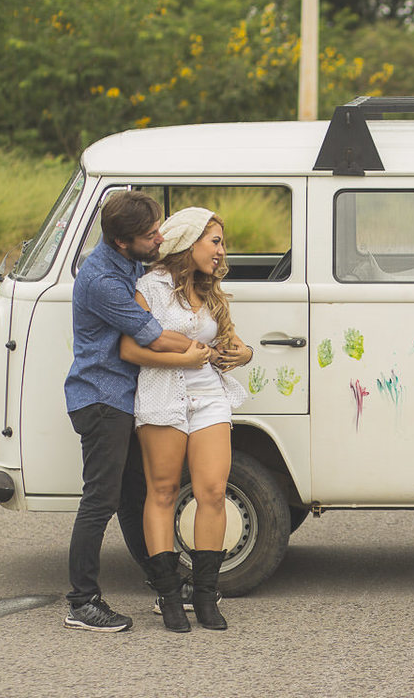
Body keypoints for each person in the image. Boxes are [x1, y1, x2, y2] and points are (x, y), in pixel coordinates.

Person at [63, 191, 205, 633]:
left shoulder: (127, 259)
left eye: (158, 229)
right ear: (123, 241)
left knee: (133, 497)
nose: (159, 238)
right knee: (100, 500)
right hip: (101, 398)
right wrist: (203, 349)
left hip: (120, 397)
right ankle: (82, 602)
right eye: (150, 235)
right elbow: (153, 336)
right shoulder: (103, 280)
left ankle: (165, 583)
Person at [119, 207, 252, 632]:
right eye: (215, 242)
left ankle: (206, 595)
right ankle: (169, 595)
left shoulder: (209, 288)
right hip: (162, 396)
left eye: (221, 243)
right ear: (189, 242)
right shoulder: (150, 288)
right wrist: (183, 358)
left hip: (210, 396)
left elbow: (230, 341)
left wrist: (245, 354)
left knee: (212, 491)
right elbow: (129, 350)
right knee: (162, 492)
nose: (221, 251)